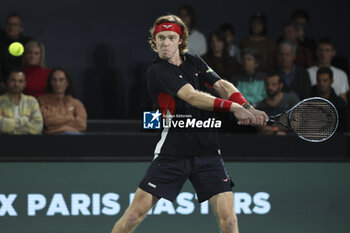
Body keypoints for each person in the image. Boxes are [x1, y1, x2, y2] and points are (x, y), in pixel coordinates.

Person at [110, 15, 268, 233]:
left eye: (171, 37)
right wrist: (233, 108)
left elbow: (221, 84)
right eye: (161, 38)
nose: (165, 42)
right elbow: (192, 96)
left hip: (208, 153)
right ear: (154, 42)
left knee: (230, 222)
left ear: (180, 41)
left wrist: (246, 106)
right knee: (134, 216)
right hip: (172, 154)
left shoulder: (193, 60)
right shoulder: (157, 70)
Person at [38, 67, 87, 135]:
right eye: (54, 80)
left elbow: (82, 125)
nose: (57, 83)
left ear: (67, 83)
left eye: (61, 80)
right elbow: (47, 122)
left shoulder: (76, 103)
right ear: (50, 82)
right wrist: (71, 118)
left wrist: (57, 121)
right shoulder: (42, 100)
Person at [0, 69, 43, 134]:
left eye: (20, 81)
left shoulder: (32, 101)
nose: (16, 84)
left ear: (25, 84)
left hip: (29, 141)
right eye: (13, 80)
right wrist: (25, 119)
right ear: (7, 81)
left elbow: (38, 127)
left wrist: (7, 124)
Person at [308, 38, 349, 103]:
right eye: (321, 50)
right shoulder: (307, 73)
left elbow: (343, 100)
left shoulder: (341, 75)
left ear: (333, 52)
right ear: (316, 52)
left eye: (327, 50)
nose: (323, 53)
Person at [0, 13, 33, 85]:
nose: (11, 27)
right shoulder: (1, 41)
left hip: (23, 82)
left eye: (15, 25)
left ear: (21, 28)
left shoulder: (28, 43)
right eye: (9, 24)